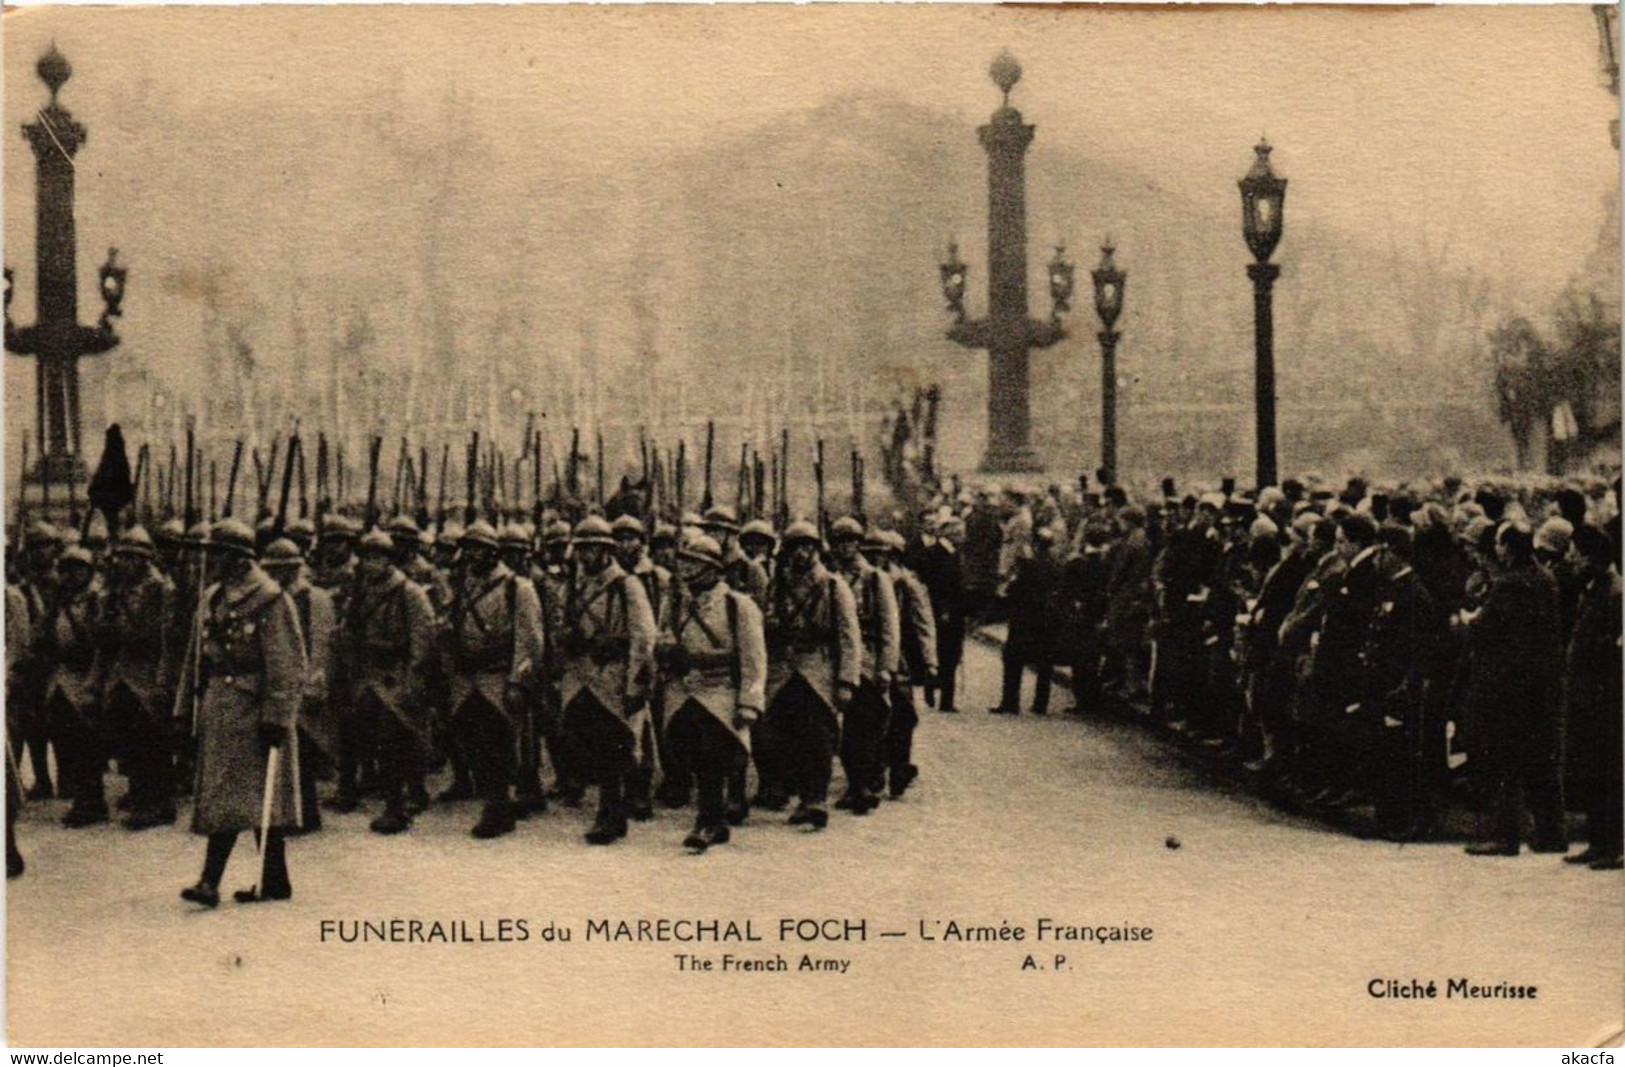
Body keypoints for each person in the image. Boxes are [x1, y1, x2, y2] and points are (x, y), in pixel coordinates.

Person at [177, 519, 306, 907]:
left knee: (247, 795)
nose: (208, 561)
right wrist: (183, 708)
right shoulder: (213, 596)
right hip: (220, 708)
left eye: (215, 554)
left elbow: (287, 665)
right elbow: (194, 661)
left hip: (254, 710)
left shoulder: (270, 599)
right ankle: (275, 879)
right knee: (249, 796)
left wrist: (277, 718)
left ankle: (209, 881)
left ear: (235, 559)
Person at [1462, 522, 1567, 857]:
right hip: (1540, 683)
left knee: (1504, 759)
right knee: (1540, 760)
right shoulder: (1546, 579)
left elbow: (1485, 627)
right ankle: (1551, 832)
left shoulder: (1507, 585)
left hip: (1507, 685)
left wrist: (1466, 621)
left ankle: (1506, 835)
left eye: (1498, 544)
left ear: (1507, 548)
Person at [658, 534, 767, 852]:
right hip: (683, 690)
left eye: (696, 564)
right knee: (689, 753)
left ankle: (708, 820)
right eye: (685, 563)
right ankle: (714, 819)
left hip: (721, 689)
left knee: (712, 755)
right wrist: (664, 650)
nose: (687, 570)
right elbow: (662, 635)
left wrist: (750, 702)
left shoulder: (738, 605)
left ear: (713, 569)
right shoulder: (674, 602)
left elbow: (754, 659)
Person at [443, 521, 547, 840]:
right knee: (472, 742)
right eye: (469, 548)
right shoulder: (463, 586)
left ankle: (498, 805)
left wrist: (519, 681)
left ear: (493, 552)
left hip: (498, 676)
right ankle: (494, 801)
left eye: (479, 549)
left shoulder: (518, 587)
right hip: (467, 678)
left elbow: (530, 639)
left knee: (496, 742)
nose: (473, 555)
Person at [556, 516, 657, 845]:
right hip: (580, 675)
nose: (587, 556)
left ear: (607, 550)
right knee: (585, 742)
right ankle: (610, 806)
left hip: (613, 676)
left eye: (594, 549)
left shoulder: (627, 585)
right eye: (582, 549)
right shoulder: (572, 585)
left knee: (613, 744)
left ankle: (611, 812)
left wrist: (636, 686)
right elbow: (560, 623)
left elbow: (644, 638)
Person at [758, 520, 861, 829]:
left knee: (818, 738)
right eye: (795, 548)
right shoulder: (776, 585)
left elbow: (848, 636)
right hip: (782, 671)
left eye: (808, 547)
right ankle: (797, 793)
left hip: (818, 669)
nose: (802, 554)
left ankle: (815, 798)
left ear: (817, 550)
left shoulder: (833, 585)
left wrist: (846, 680)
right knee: (783, 736)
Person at [346, 530, 436, 835]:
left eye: (378, 558)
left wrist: (413, 679)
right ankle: (394, 797)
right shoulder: (361, 591)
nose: (371, 564)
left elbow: (423, 639)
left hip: (399, 674)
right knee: (371, 738)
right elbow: (352, 632)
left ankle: (398, 806)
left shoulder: (409, 592)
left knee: (395, 739)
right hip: (371, 675)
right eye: (367, 558)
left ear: (389, 560)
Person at [96, 526, 178, 830]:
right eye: (122, 557)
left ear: (144, 559)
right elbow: (103, 635)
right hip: (123, 672)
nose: (124, 563)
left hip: (150, 671)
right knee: (130, 739)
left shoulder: (159, 589)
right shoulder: (116, 589)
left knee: (152, 740)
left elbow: (159, 635)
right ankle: (142, 795)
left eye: (132, 557)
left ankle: (157, 802)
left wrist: (163, 679)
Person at [260, 537, 337, 835]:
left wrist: (316, 681)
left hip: (306, 683)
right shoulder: (269, 597)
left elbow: (322, 642)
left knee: (303, 752)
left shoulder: (315, 598)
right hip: (280, 683)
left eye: (281, 569)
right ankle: (286, 814)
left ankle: (307, 814)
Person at [1560, 525, 1622, 870]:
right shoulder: (1593, 589)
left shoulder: (1616, 594)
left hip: (1607, 699)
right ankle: (1598, 842)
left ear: (1590, 557)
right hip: (1587, 696)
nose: (1571, 560)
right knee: (1593, 773)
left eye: (1575, 554)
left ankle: (1613, 844)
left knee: (1610, 773)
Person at [827, 517, 898, 814]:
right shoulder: (828, 577)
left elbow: (889, 626)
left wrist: (887, 666)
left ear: (858, 544)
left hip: (868, 659)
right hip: (835, 658)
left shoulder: (873, 578)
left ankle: (862, 785)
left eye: (851, 542)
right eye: (840, 542)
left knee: (864, 726)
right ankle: (856, 784)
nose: (846, 547)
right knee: (841, 731)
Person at [43, 546, 107, 828]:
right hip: (62, 677)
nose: (71, 575)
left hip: (86, 675)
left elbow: (100, 641)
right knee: (68, 741)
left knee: (87, 743)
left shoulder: (96, 599)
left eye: (77, 569)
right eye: (66, 570)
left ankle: (91, 801)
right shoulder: (59, 600)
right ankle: (80, 796)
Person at [871, 530, 935, 798]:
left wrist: (931, 661)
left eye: (883, 553)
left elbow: (923, 623)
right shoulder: (864, 579)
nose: (877, 558)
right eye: (871, 553)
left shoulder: (907, 584)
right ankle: (874, 771)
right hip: (870, 654)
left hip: (900, 658)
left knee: (903, 713)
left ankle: (899, 767)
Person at [990, 526, 1061, 716]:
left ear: (1036, 544)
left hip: (1024, 617)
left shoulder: (1027, 565)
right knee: (1045, 661)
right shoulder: (1056, 565)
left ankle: (1010, 702)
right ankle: (1040, 704)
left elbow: (1014, 590)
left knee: (1013, 658)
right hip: (1046, 618)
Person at [916, 515, 966, 713]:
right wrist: (944, 608)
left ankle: (944, 696)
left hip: (953, 612)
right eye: (959, 533)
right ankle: (940, 695)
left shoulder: (953, 553)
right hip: (943, 613)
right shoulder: (934, 554)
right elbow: (935, 584)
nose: (962, 536)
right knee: (946, 653)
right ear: (949, 533)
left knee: (951, 655)